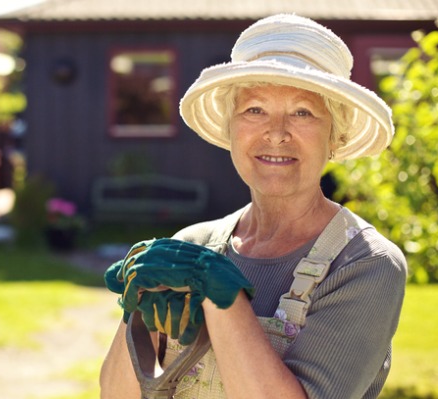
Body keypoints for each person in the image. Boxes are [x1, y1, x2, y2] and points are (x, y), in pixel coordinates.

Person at [100, 14, 407, 399]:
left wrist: (221, 297)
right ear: (231, 129)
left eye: (302, 112)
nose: (276, 133)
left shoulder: (365, 264)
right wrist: (138, 312)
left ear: (335, 135)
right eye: (255, 110)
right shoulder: (192, 244)